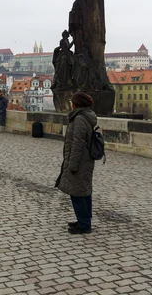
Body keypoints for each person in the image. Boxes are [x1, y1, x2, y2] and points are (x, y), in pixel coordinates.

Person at [55, 92, 98, 234]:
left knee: (77, 192)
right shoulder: (85, 116)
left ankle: (84, 225)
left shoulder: (79, 118)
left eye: (71, 101)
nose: (70, 103)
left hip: (80, 160)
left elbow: (77, 143)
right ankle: (83, 220)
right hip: (85, 160)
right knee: (84, 190)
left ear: (76, 104)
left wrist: (72, 164)